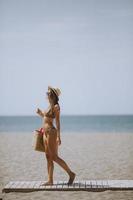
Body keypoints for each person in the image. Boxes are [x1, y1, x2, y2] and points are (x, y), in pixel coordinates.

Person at [36, 86, 76, 185]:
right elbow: (47, 118)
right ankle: (50, 180)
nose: (47, 94)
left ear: (53, 95)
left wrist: (58, 136)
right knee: (48, 157)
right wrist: (41, 113)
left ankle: (71, 174)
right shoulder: (49, 105)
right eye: (47, 92)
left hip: (51, 133)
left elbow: (57, 122)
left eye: (48, 93)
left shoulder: (56, 107)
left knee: (54, 157)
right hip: (45, 133)